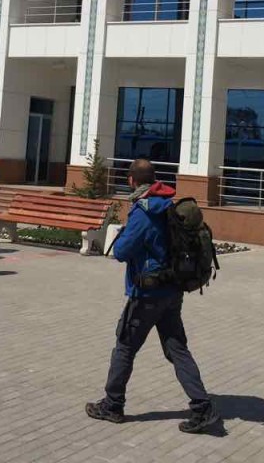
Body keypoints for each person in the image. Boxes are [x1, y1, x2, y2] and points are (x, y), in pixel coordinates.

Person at [85, 158, 219, 434]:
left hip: (147, 293)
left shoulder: (144, 212)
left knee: (125, 346)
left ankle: (112, 404)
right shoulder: (168, 205)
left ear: (132, 181)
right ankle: (203, 408)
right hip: (171, 291)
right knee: (177, 349)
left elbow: (121, 251)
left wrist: (124, 235)